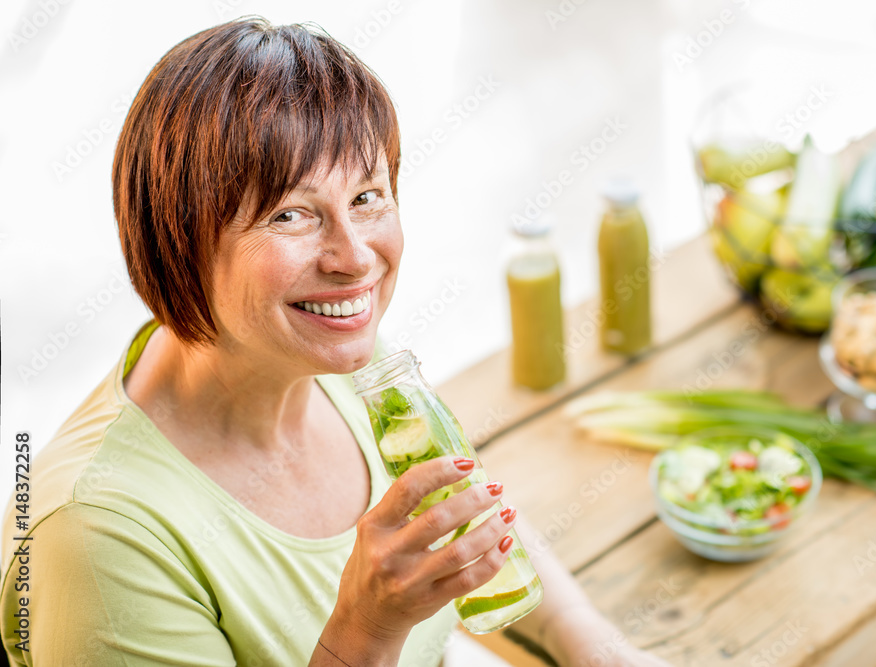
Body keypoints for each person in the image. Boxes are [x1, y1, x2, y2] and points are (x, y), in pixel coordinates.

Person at [0, 17, 672, 666]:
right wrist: (366, 628)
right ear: (175, 236)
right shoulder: (98, 540)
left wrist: (599, 648)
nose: (354, 258)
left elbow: (470, 518)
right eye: (291, 214)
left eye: (368, 197)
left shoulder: (349, 361)